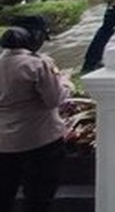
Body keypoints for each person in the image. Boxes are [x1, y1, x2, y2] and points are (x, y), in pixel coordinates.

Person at [0, 16, 73, 212]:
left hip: (4, 144)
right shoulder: (37, 65)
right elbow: (54, 99)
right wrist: (65, 82)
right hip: (40, 141)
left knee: (4, 195)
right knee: (38, 198)